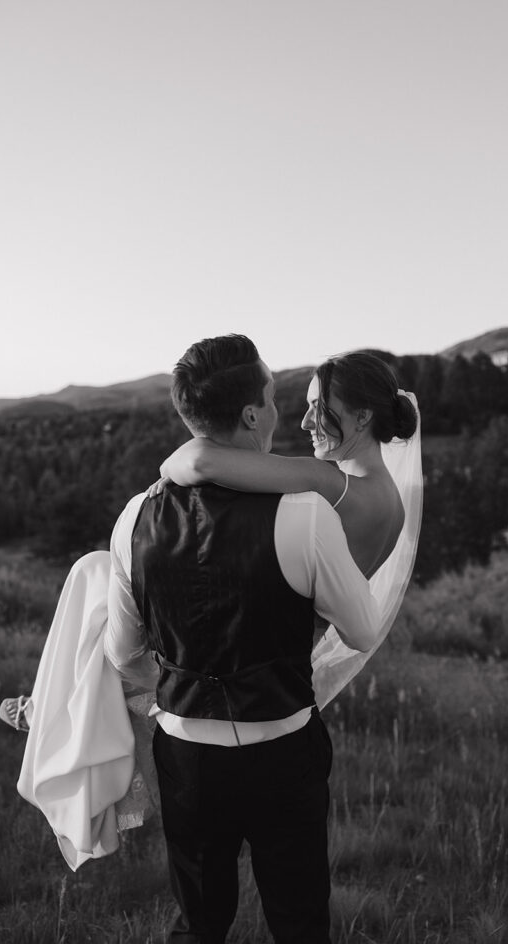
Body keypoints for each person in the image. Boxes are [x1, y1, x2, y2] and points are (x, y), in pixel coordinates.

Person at [105, 333, 382, 944]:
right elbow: (361, 629)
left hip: (184, 757)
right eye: (273, 397)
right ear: (254, 414)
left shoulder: (133, 517)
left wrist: (178, 685)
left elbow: (123, 651)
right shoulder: (305, 514)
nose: (281, 410)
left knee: (198, 922)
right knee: (300, 921)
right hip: (283, 753)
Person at [150, 349, 422, 708]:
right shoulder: (394, 504)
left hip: (245, 666)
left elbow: (200, 460)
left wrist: (167, 470)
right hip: (292, 669)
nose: (306, 423)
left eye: (319, 408)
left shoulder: (329, 483)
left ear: (362, 417)